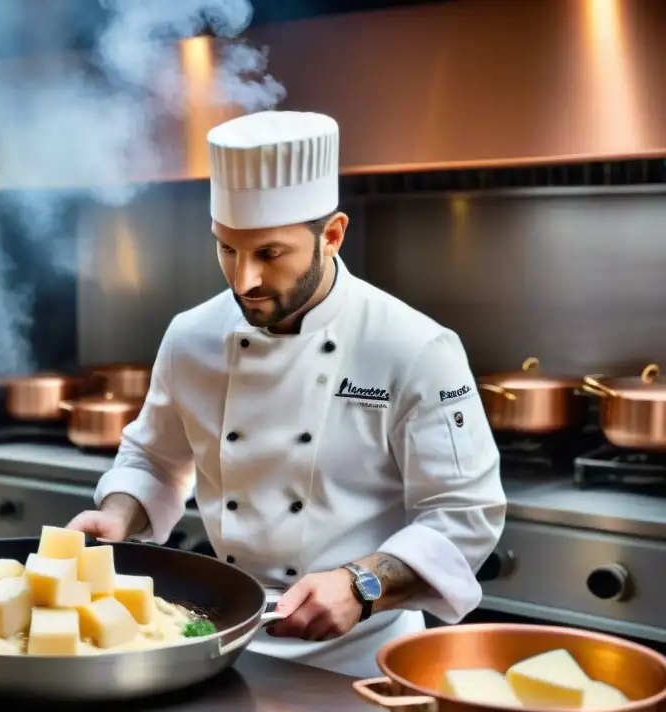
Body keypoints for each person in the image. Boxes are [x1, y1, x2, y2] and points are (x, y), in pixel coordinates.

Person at [67, 111, 507, 677]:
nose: (242, 279)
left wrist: (361, 584)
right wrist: (117, 514)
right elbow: (155, 459)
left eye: (269, 254)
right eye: (226, 249)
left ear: (332, 235)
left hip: (361, 660)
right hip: (217, 643)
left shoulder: (414, 346)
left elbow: (463, 514)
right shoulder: (191, 336)